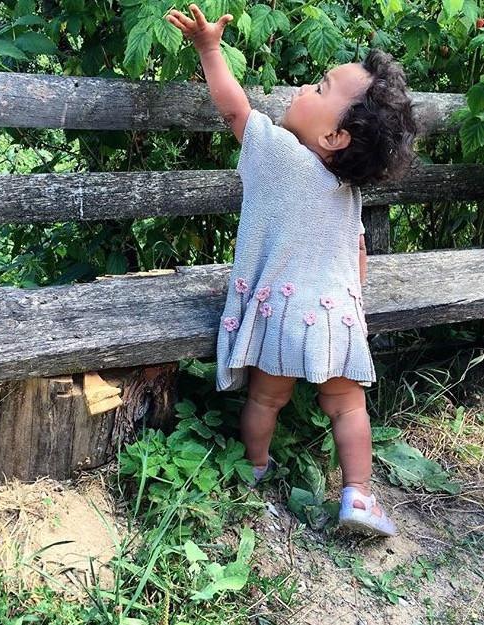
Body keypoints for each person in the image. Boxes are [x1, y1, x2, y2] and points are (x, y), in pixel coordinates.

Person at [167, 4, 416, 537]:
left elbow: (235, 111)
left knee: (266, 397)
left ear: (334, 138)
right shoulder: (346, 189)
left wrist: (210, 49)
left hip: (283, 314)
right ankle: (357, 495)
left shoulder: (281, 154)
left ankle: (254, 468)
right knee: (348, 409)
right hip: (336, 314)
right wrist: (349, 303)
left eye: (321, 90)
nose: (305, 88)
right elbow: (358, 254)